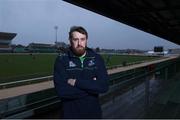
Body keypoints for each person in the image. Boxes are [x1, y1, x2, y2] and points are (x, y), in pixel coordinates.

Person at [53, 26, 109, 118]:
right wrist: (93, 86)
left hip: (94, 115)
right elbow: (62, 91)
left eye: (82, 39)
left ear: (86, 40)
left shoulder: (97, 58)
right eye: (75, 39)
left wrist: (76, 82)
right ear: (70, 40)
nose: (79, 43)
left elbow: (104, 86)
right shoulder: (61, 60)